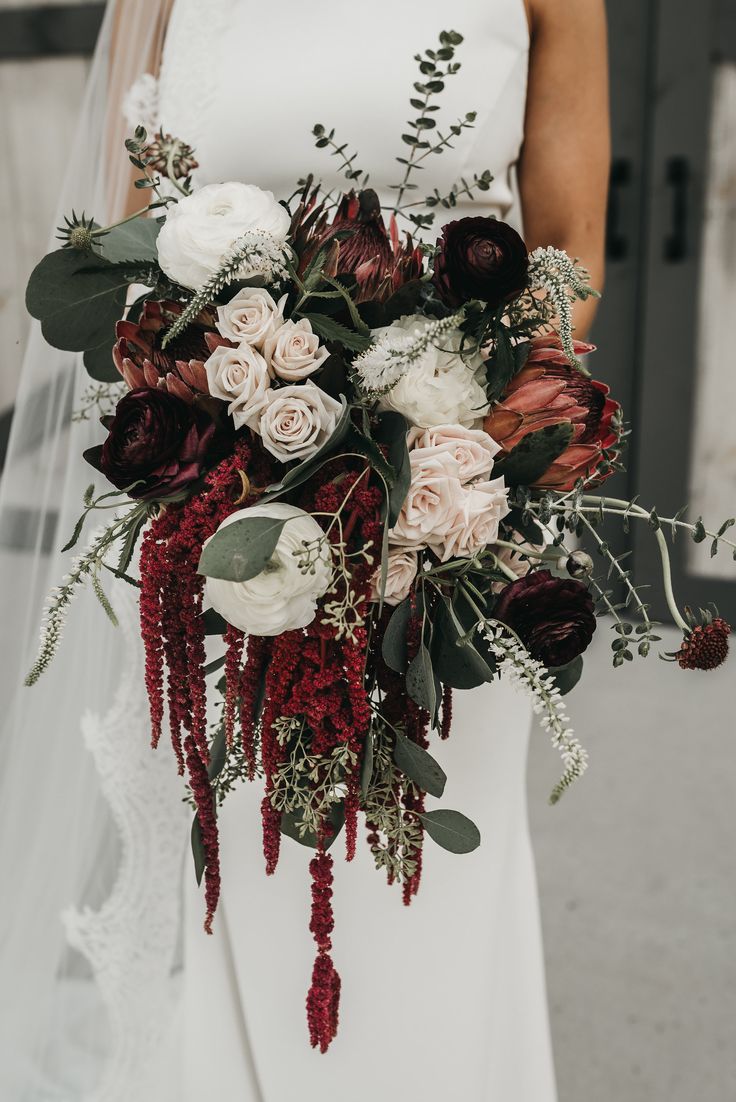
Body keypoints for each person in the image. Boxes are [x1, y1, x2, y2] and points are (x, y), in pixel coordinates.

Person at [0, 1, 609, 1098]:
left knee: (428, 878)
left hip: (462, 498)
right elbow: (134, 229)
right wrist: (223, 411)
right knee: (253, 854)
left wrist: (465, 445)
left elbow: (570, 246)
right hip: (229, 487)